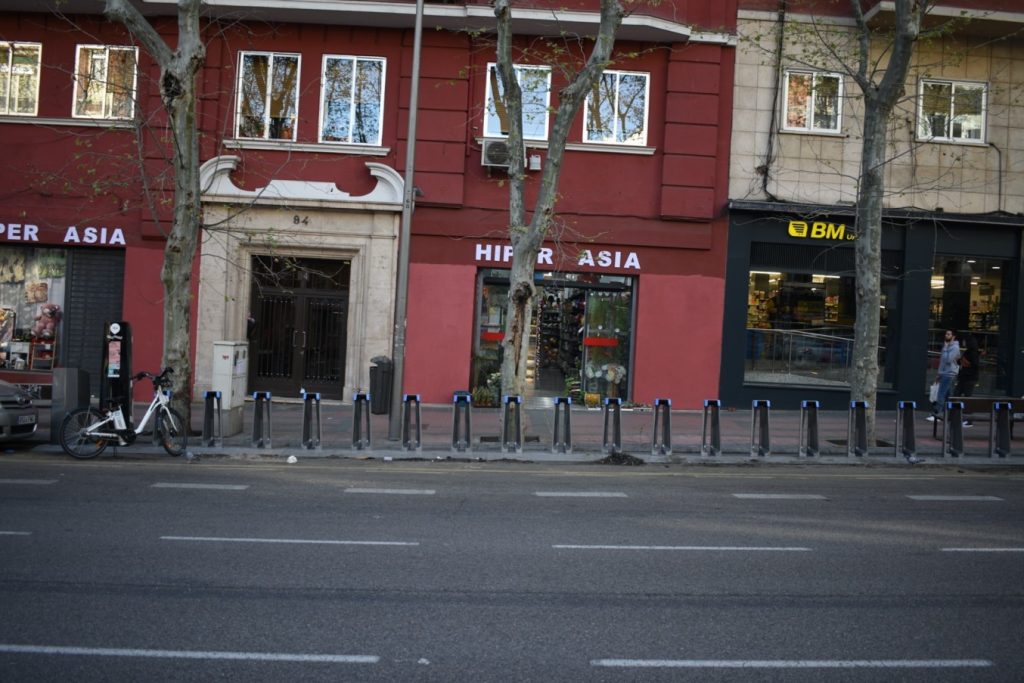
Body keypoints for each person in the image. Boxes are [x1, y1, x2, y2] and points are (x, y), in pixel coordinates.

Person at [926, 329, 960, 422]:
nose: (946, 335)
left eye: (948, 334)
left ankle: (937, 414)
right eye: (946, 334)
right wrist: (939, 374)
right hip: (945, 373)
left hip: (949, 374)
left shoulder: (954, 348)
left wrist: (945, 348)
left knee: (941, 394)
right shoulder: (947, 346)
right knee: (947, 395)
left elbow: (948, 360)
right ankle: (947, 415)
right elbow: (942, 362)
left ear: (953, 336)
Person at [956, 333, 980, 426]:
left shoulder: (973, 353)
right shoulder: (968, 351)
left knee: (967, 398)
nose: (963, 342)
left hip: (969, 378)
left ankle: (969, 420)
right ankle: (955, 416)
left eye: (965, 341)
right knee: (957, 394)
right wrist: (960, 361)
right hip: (964, 377)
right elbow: (962, 362)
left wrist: (965, 363)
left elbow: (974, 365)